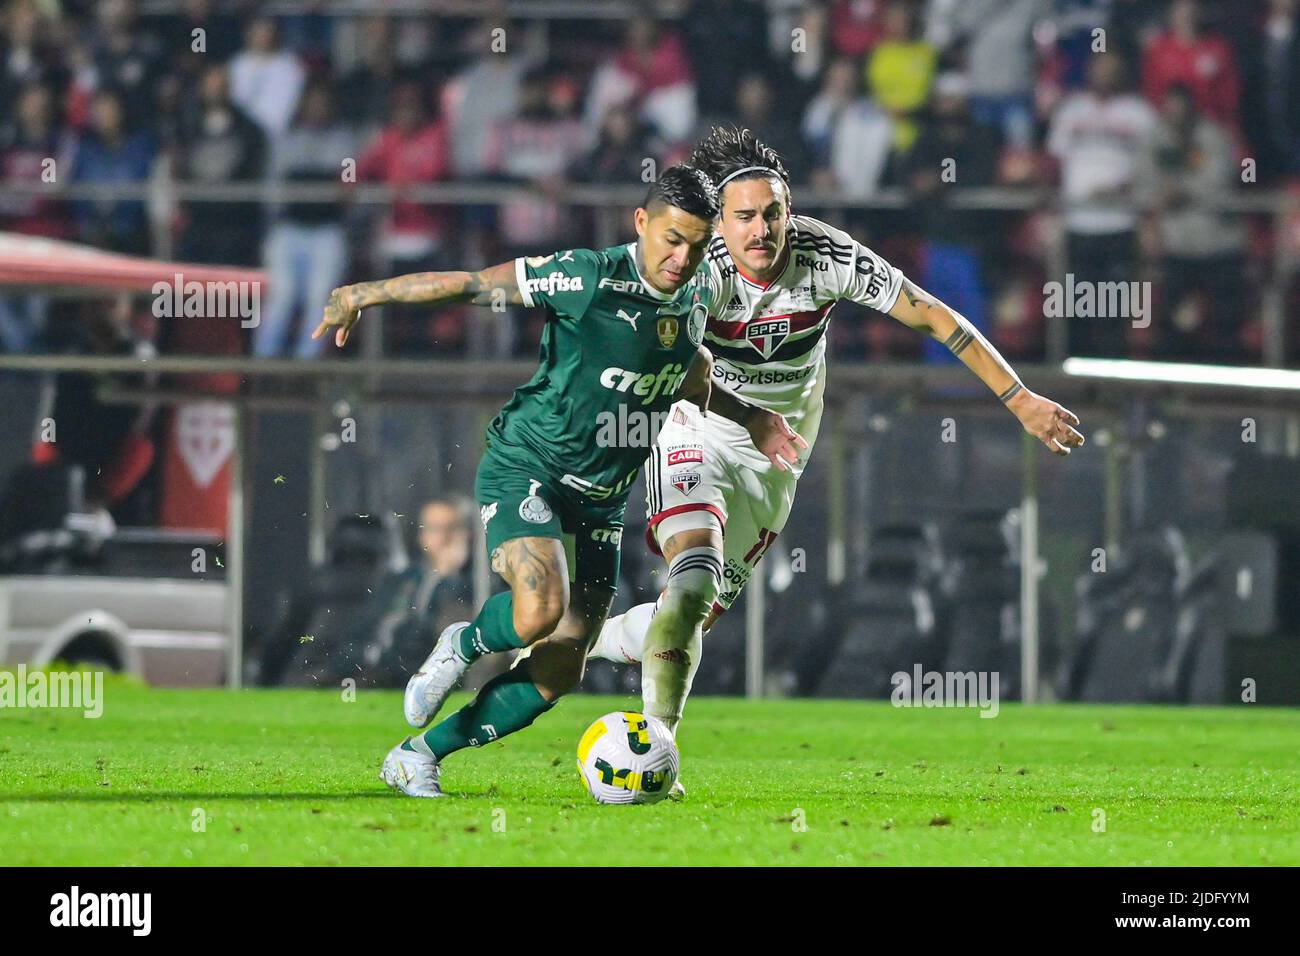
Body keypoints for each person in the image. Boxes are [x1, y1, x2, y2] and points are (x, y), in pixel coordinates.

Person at [586, 128, 1085, 796]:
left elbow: (934, 318)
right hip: (699, 423)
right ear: (719, 222)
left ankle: (579, 636)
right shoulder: (693, 268)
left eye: (773, 213)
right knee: (691, 576)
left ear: (790, 211)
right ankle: (658, 749)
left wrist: (1018, 397)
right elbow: (653, 360)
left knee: (692, 615)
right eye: (744, 217)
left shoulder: (827, 255)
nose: (762, 230)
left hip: (785, 441)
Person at [312, 166, 805, 798]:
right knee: (538, 610)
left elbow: (687, 367)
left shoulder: (699, 288)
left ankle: (418, 756)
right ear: (641, 223)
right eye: (671, 239)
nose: (681, 258)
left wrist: (753, 418)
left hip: (601, 503)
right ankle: (463, 640)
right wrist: (367, 292)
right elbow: (471, 285)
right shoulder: (587, 276)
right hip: (530, 467)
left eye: (696, 244)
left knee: (561, 667)